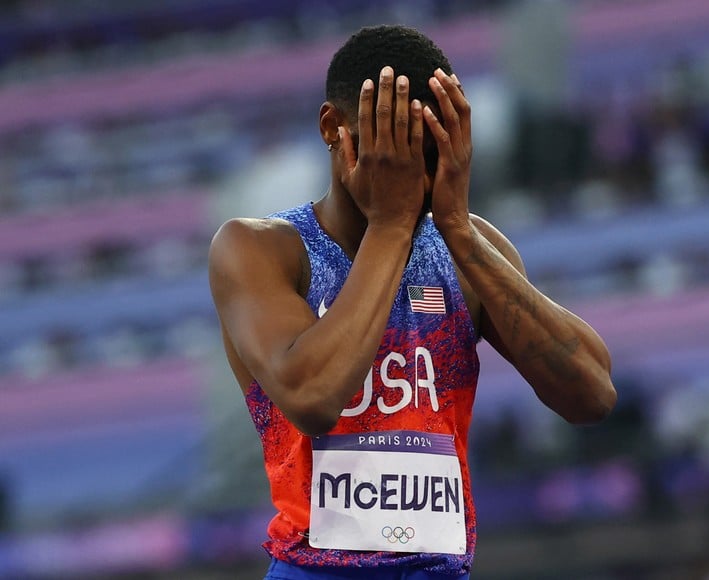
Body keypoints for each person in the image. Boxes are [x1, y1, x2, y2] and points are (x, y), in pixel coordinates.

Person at [208, 24, 616, 580]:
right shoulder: (259, 249)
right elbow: (311, 396)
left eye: (426, 149)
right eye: (389, 146)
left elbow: (592, 393)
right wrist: (392, 225)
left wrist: (458, 231)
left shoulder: (465, 246)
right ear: (334, 128)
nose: (410, 174)